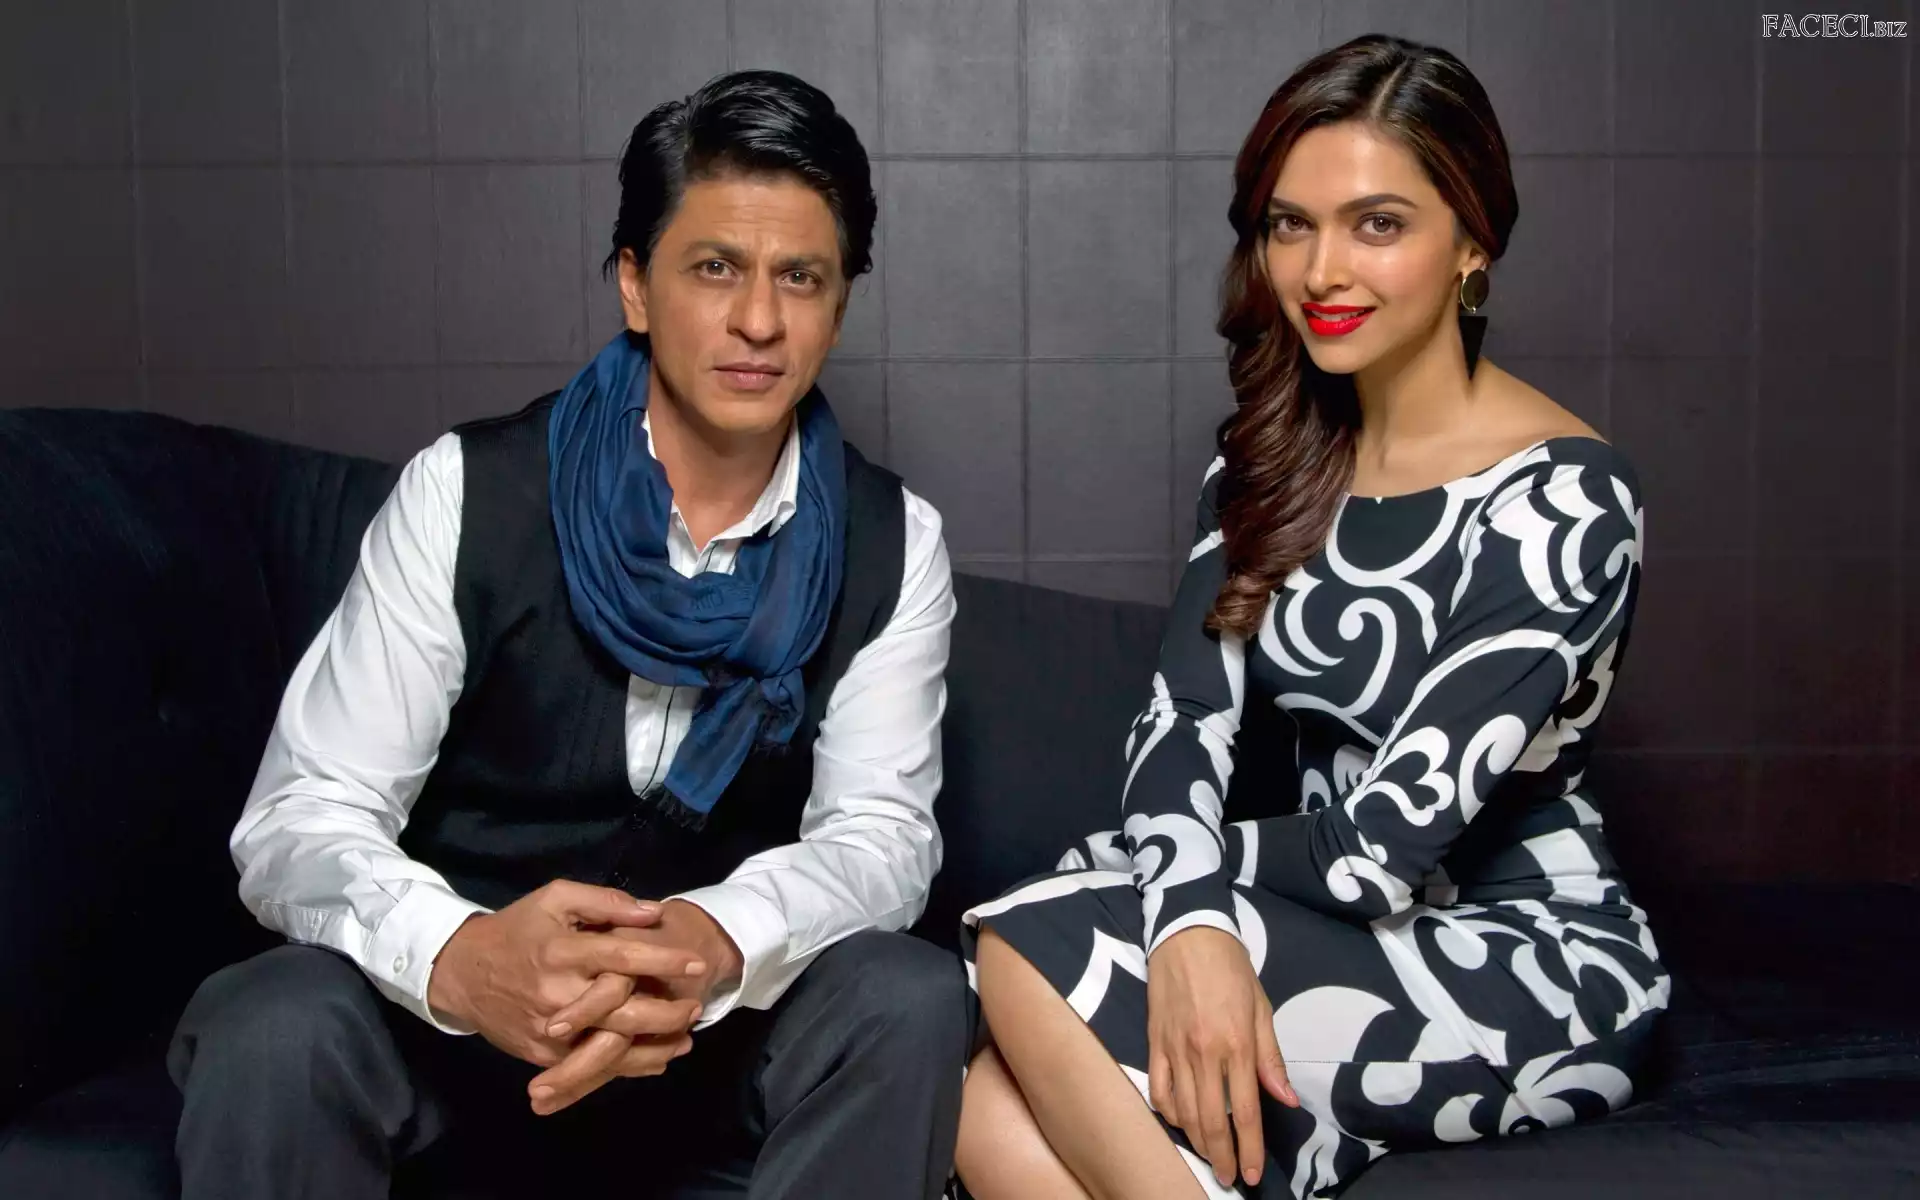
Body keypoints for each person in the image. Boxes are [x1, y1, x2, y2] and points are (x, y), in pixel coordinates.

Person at [168, 70, 971, 1200]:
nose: (759, 320)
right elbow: (303, 817)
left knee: (908, 995)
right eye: (715, 268)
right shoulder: (466, 492)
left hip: (707, 1049)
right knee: (273, 1021)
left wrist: (714, 940)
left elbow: (880, 836)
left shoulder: (894, 542)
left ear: (838, 309)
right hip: (448, 1042)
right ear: (636, 285)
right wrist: (459, 957)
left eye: (801, 277)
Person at [953, 34, 1669, 1200]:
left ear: (1473, 243)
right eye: (1291, 225)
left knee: (1027, 946)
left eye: (1377, 224)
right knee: (984, 1103)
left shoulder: (1567, 501)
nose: (1321, 270)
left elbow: (1383, 846)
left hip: (1526, 957)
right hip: (1320, 914)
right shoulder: (1272, 460)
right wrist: (1187, 908)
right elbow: (1184, 722)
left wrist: (1176, 894)